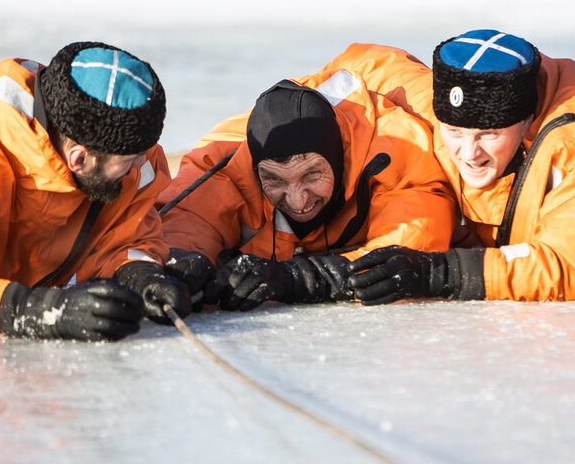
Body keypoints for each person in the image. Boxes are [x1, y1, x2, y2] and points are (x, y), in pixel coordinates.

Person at [345, 29, 575, 303]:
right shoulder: (439, 99)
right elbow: (366, 67)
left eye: (489, 134)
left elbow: (568, 265)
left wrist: (439, 273)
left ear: (527, 120)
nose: (468, 153)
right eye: (453, 131)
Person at [0, 41, 192, 341]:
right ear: (79, 158)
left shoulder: (123, 157)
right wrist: (38, 311)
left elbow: (128, 235)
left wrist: (139, 273)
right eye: (131, 158)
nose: (144, 161)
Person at [157, 70, 456, 311]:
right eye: (274, 180)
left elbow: (406, 254)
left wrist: (295, 278)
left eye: (312, 174)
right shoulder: (227, 157)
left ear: (340, 160)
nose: (297, 199)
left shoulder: (397, 157)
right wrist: (183, 261)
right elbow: (188, 216)